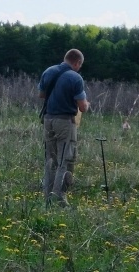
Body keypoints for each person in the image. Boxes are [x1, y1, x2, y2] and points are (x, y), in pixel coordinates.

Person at [38, 49, 90, 208]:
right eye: (80, 65)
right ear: (78, 62)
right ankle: (59, 199)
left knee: (50, 160)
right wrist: (87, 104)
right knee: (64, 161)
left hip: (48, 120)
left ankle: (47, 197)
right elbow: (82, 107)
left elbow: (41, 95)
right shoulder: (75, 78)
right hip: (65, 123)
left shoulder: (48, 71)